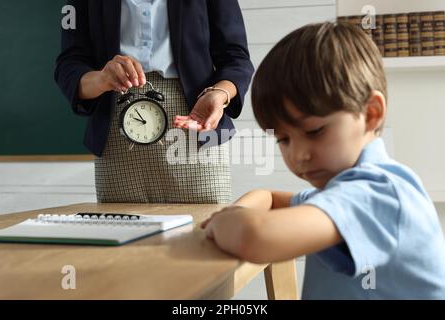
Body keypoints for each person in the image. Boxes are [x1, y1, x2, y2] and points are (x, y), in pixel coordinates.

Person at [201, 22, 445, 299]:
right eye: (284, 139)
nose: (297, 155)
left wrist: (221, 223)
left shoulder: (379, 192)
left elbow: (255, 238)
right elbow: (267, 197)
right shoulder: (338, 192)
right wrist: (233, 215)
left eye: (315, 131)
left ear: (372, 114)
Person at [54, 0, 253, 204]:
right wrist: (103, 78)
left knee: (205, 229)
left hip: (196, 126)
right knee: (121, 229)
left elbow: (236, 58)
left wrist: (220, 94)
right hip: (116, 132)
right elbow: (69, 66)